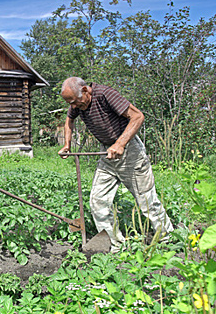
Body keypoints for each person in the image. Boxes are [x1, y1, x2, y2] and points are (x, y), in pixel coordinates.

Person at [58, 77, 173, 252]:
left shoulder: (105, 94)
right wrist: (67, 144)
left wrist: (120, 143)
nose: (73, 107)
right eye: (70, 103)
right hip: (107, 154)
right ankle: (114, 245)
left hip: (130, 151)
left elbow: (137, 116)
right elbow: (69, 120)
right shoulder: (76, 104)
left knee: (146, 200)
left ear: (85, 90)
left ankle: (168, 238)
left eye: (75, 102)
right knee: (98, 201)